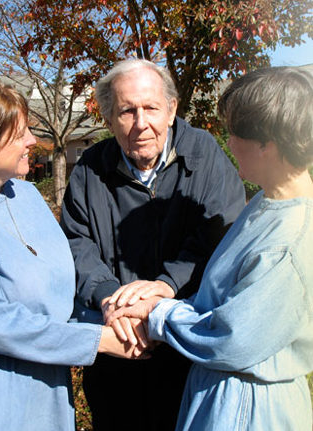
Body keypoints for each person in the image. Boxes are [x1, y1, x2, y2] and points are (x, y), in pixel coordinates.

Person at [107, 66, 313, 431]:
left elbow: (230, 340)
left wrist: (156, 313)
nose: (228, 144)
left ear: (267, 143)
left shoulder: (289, 240)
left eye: (235, 133)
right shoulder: (263, 205)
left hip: (250, 410)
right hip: (220, 397)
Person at [60, 59, 246, 431]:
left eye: (151, 108)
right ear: (110, 119)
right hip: (119, 345)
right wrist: (110, 298)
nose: (141, 123)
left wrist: (166, 286)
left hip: (186, 348)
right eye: (127, 111)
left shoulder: (204, 154)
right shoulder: (90, 168)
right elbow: (76, 242)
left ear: (173, 109)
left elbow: (221, 230)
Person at [0, 78, 145, 431]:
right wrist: (98, 341)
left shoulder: (28, 197)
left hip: (49, 395)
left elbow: (60, 297)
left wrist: (116, 319)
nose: (32, 140)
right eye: (20, 134)